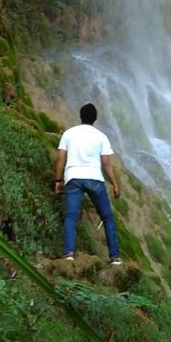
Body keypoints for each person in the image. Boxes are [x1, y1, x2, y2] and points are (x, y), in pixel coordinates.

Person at [54, 102, 122, 265]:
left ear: (80, 116)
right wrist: (115, 184)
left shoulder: (69, 134)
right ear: (95, 118)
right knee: (107, 218)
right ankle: (115, 257)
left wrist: (58, 180)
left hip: (74, 177)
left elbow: (61, 158)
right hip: (95, 179)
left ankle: (69, 253)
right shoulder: (101, 136)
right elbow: (106, 163)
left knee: (71, 216)